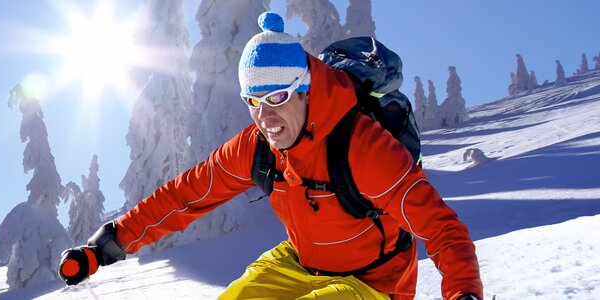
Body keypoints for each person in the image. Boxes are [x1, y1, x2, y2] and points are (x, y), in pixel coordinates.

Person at [57, 12, 483, 300]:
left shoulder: (362, 146)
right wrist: (103, 246)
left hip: (374, 282)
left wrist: (463, 291)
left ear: (304, 87)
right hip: (302, 263)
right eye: (253, 100)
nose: (267, 116)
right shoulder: (256, 147)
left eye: (277, 96)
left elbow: (442, 229)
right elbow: (184, 196)